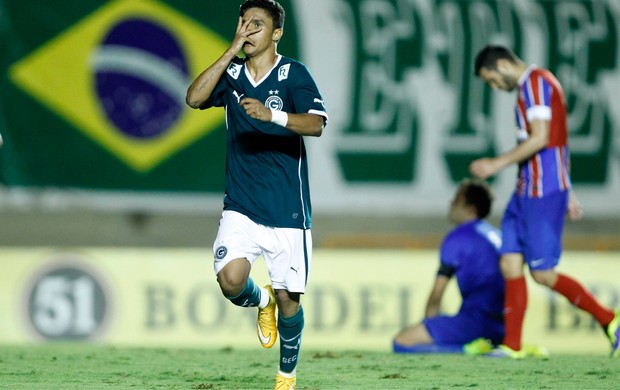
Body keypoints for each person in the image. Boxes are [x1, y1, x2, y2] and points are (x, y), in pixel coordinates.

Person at [185, 0, 328, 388]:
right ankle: (259, 300)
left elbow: (316, 125)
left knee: (290, 304)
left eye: (258, 24)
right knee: (230, 281)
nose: (248, 29)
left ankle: (286, 377)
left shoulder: (293, 74)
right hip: (242, 206)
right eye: (244, 22)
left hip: (288, 210)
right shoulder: (232, 74)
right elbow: (194, 98)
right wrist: (230, 49)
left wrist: (273, 115)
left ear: (277, 33)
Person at [470, 44, 619, 358]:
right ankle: (512, 346)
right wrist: (571, 189)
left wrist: (497, 164)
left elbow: (541, 137)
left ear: (502, 65)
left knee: (542, 273)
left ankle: (610, 320)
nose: (495, 88)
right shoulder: (532, 86)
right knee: (509, 261)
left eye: (492, 80)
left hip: (543, 192)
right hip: (526, 190)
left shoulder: (537, 82)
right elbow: (558, 140)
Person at [393, 179, 505, 355]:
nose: (451, 203)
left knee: (402, 342)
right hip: (503, 326)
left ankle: (467, 351)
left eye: (456, 200)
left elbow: (438, 291)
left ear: (470, 209)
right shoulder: (499, 236)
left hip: (475, 323)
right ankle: (492, 348)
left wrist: (430, 324)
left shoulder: (458, 237)